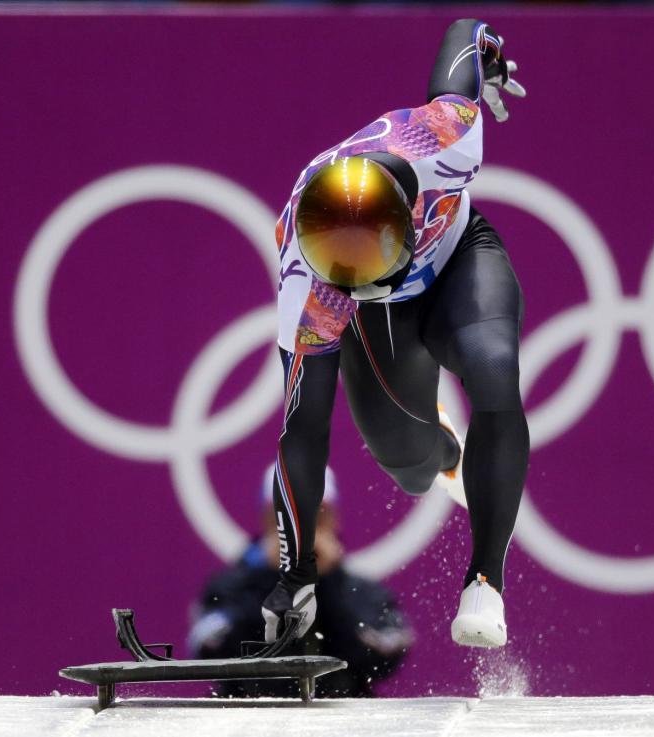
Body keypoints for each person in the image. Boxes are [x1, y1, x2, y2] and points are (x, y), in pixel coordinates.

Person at [266, 18, 529, 649]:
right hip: (382, 323)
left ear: (406, 223)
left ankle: (485, 582)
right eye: (344, 276)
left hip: (460, 259)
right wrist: (295, 574)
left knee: (493, 367)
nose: (355, 283)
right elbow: (302, 433)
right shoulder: (309, 286)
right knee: (411, 471)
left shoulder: (447, 137)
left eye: (369, 268)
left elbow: (466, 29)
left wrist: (488, 56)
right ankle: (442, 446)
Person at [189, 464, 413, 698]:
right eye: (285, 515)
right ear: (266, 520)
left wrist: (326, 583)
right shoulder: (228, 589)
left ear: (334, 520)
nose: (301, 530)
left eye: (316, 514)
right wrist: (275, 581)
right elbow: (212, 655)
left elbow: (381, 661)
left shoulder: (364, 592)